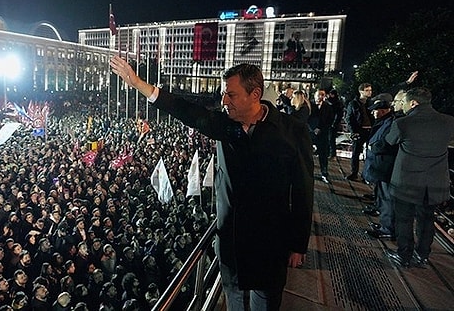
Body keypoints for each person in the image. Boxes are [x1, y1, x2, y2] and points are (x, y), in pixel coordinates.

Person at [110, 55, 314, 310]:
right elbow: (186, 111)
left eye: (231, 95)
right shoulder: (225, 126)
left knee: (266, 302)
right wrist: (139, 83)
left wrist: (298, 244)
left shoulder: (292, 131)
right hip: (231, 240)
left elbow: (304, 189)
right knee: (235, 300)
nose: (224, 101)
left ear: (255, 94)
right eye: (222, 94)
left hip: (270, 243)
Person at [384, 87, 454, 268]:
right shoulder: (448, 121)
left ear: (413, 103)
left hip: (406, 182)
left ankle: (404, 255)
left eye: (405, 103)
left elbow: (390, 141)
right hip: (435, 182)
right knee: (427, 219)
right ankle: (422, 255)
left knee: (404, 220)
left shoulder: (403, 123)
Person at [361, 95, 398, 239]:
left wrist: (373, 147)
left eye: (375, 110)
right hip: (381, 165)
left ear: (382, 111)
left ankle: (387, 229)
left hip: (384, 166)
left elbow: (387, 143)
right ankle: (384, 224)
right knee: (383, 197)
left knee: (387, 198)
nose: (372, 113)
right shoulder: (386, 122)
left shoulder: (390, 123)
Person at [345, 83, 373, 181]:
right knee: (356, 153)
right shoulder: (353, 103)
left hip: (371, 130)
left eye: (370, 90)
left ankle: (367, 175)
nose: (370, 92)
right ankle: (354, 173)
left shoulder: (371, 103)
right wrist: (353, 131)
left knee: (370, 153)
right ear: (361, 91)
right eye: (367, 90)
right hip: (360, 130)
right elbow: (349, 118)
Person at [309, 89, 333, 183]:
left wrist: (320, 129)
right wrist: (313, 128)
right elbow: (307, 118)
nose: (320, 97)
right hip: (311, 133)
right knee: (308, 154)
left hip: (322, 134)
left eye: (322, 95)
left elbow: (330, 120)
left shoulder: (328, 107)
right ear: (315, 95)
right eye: (319, 95)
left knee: (323, 154)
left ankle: (324, 173)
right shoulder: (309, 105)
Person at [326, 89, 344, 158]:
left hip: (332, 123)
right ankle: (330, 152)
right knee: (330, 138)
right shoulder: (335, 102)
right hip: (331, 123)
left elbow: (338, 114)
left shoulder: (335, 103)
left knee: (331, 139)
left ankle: (332, 153)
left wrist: (334, 123)